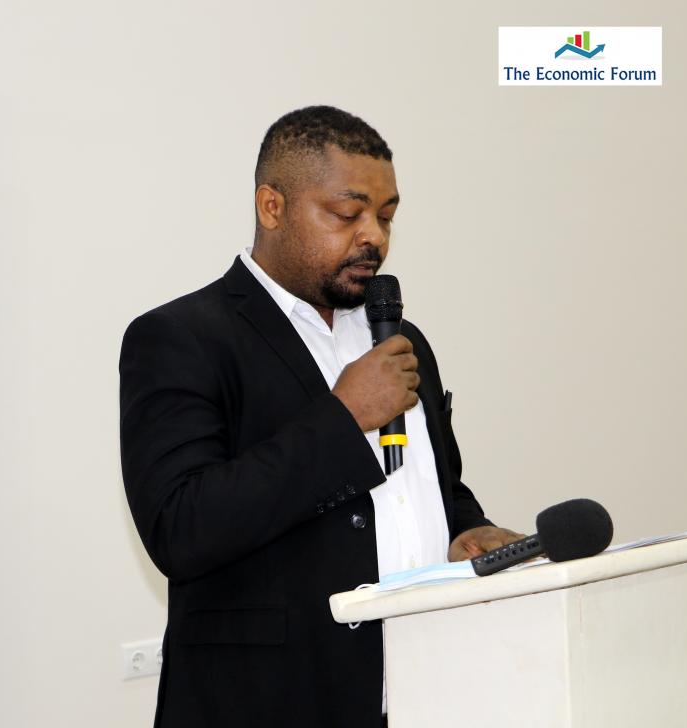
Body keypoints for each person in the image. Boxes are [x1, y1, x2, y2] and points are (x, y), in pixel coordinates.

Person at [118, 105, 523, 728]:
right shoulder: (180, 338)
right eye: (347, 213)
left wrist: (466, 528)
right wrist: (343, 417)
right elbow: (180, 527)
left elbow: (430, 484)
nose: (374, 237)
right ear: (271, 206)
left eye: (387, 217)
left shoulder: (401, 338)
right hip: (266, 703)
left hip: (422, 691)